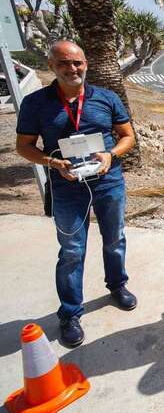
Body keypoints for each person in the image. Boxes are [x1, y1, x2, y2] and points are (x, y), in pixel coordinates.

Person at [15, 40, 137, 348]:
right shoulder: (36, 103)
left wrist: (112, 155)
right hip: (66, 186)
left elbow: (127, 136)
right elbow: (23, 146)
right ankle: (70, 313)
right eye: (64, 64)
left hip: (107, 181)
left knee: (114, 239)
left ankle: (117, 285)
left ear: (86, 64)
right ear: (52, 67)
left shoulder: (106, 98)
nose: (72, 69)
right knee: (71, 251)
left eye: (77, 63)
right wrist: (51, 162)